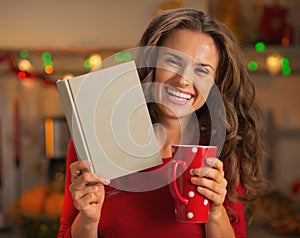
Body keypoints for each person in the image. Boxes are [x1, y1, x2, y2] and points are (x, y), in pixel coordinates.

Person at [58, 8, 266, 238]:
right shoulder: (96, 139)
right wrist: (87, 220)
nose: (183, 80)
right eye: (173, 61)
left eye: (202, 70)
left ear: (217, 82)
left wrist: (216, 211)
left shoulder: (223, 152)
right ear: (152, 63)